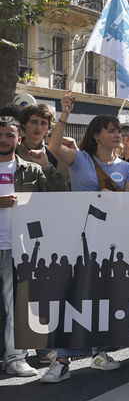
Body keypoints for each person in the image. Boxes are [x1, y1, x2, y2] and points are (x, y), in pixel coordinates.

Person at [41, 105, 129, 381]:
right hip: (78, 238)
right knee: (72, 295)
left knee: (103, 296)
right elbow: (53, 147)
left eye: (118, 130)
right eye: (111, 130)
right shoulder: (80, 159)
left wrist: (113, 198)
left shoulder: (128, 168)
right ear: (95, 135)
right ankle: (62, 360)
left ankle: (99, 352)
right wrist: (64, 115)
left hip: (109, 241)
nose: (117, 134)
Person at [0, 117, 53, 378]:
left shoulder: (31, 170)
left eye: (9, 135)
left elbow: (58, 194)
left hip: (17, 247)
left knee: (15, 306)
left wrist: (47, 165)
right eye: (0, 135)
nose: (3, 140)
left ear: (18, 139)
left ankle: (16, 358)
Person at [18, 102, 68, 191]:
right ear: (24, 124)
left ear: (48, 127)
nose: (39, 127)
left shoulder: (54, 155)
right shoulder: (11, 152)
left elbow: (62, 189)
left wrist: (47, 167)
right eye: (34, 122)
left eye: (43, 123)